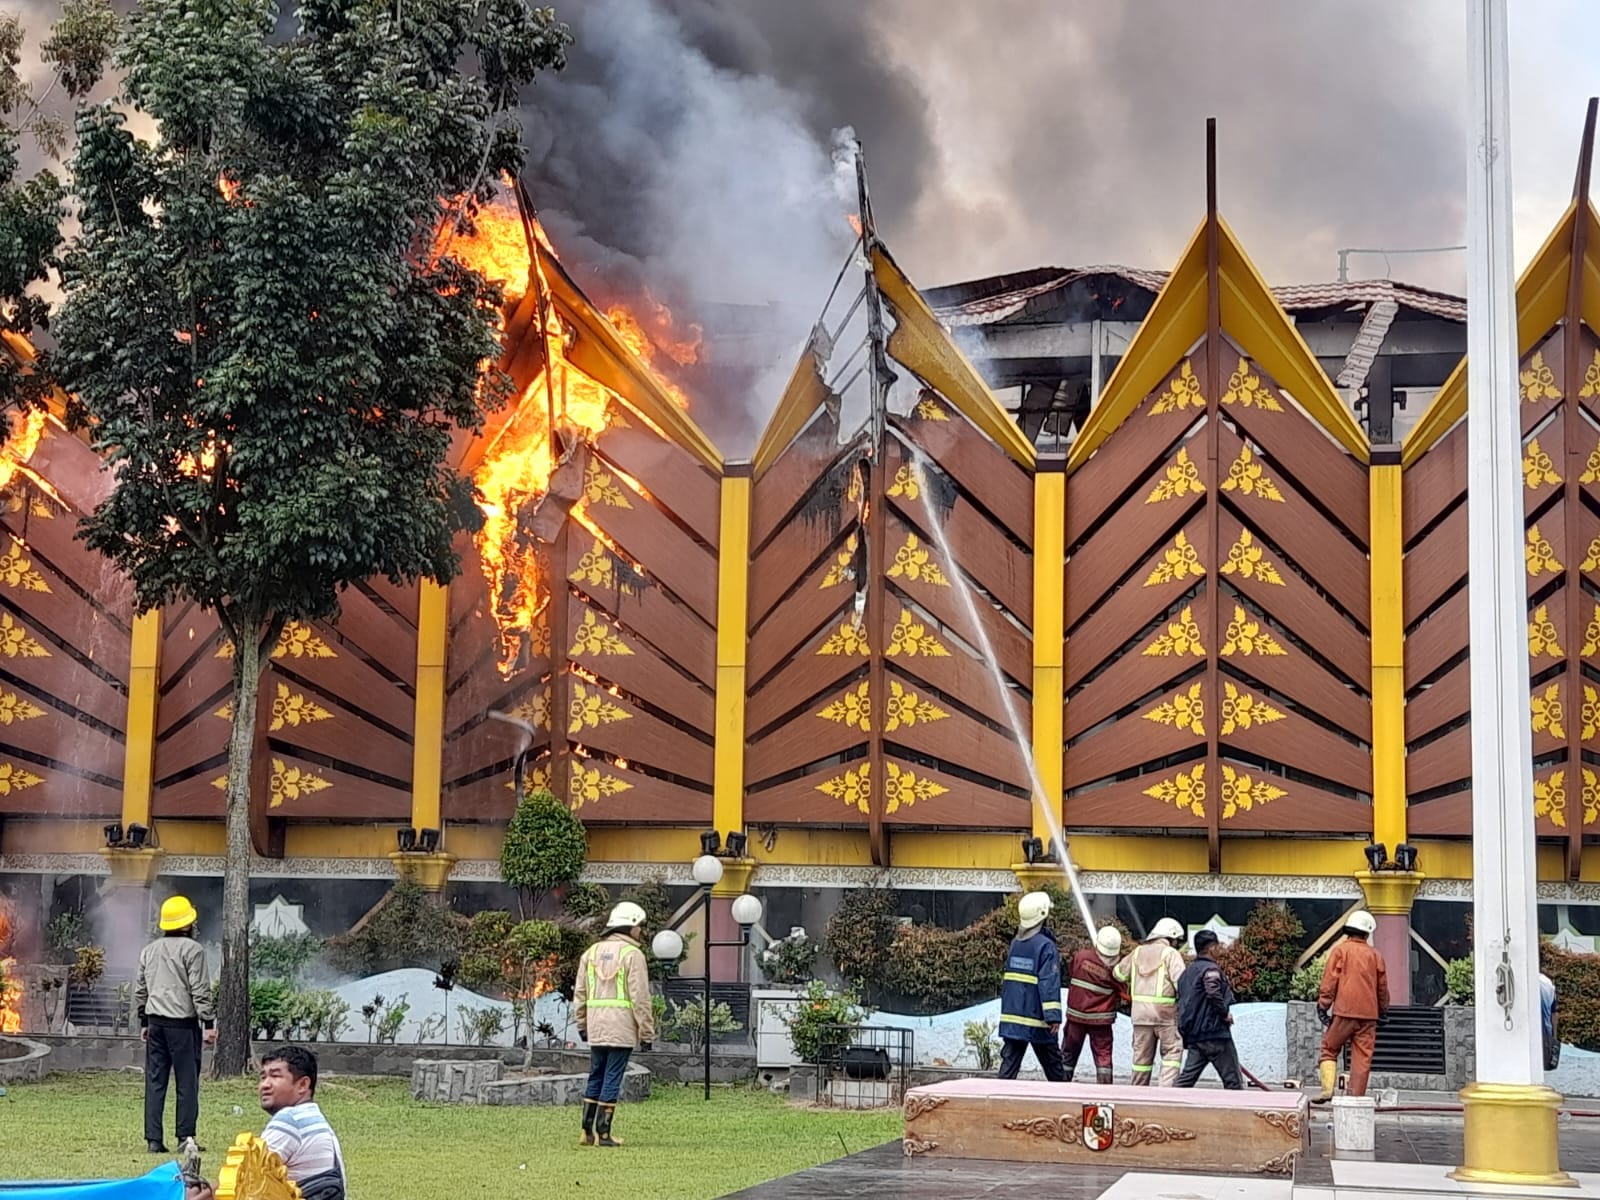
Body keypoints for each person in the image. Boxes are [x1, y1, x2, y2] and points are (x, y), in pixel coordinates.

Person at [185, 1045, 346, 1200]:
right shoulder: (314, 1119)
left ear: (303, 1084)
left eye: (275, 1076)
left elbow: (245, 1177)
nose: (265, 1085)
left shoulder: (291, 1120)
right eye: (263, 1077)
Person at [136, 894, 216, 1155]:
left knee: (155, 1082)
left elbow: (141, 989)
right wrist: (208, 1022)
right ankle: (185, 1137)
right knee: (187, 1083)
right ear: (188, 924)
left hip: (156, 1024)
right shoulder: (193, 950)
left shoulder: (149, 950)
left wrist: (144, 1021)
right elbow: (200, 989)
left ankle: (153, 1140)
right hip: (182, 1026)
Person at [574, 901, 656, 1147]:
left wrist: (581, 1023)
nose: (641, 930)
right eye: (639, 925)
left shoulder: (590, 953)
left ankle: (587, 1132)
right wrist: (647, 1033)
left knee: (596, 1074)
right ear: (630, 926)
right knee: (612, 1076)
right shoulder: (633, 955)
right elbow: (640, 997)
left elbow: (580, 992)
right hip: (621, 1027)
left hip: (596, 1025)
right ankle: (604, 1133)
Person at [1314, 909, 1389, 1102]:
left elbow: (1330, 980)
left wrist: (1323, 1004)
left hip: (1344, 1012)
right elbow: (1382, 988)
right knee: (1362, 1059)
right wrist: (1383, 1011)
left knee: (1329, 1048)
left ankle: (1327, 1090)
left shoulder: (1341, 951)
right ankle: (1355, 1100)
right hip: (1369, 1016)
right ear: (1367, 933)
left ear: (1348, 930)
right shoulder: (1376, 955)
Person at [996, 891, 1068, 1081]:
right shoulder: (1046, 946)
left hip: (1013, 1018)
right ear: (1043, 915)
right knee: (1054, 1070)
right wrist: (1053, 1017)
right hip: (1038, 1019)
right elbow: (1049, 983)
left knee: (1008, 1067)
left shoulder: (1015, 944)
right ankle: (1065, 1104)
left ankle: (995, 1104)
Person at [1114, 917, 1186, 1086]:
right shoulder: (1171, 954)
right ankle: (1165, 1094)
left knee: (1141, 1061)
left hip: (1140, 1016)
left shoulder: (1138, 952)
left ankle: (1138, 1095)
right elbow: (1181, 983)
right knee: (1172, 1054)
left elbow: (1118, 974)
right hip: (1165, 1015)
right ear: (1171, 937)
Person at [1174, 929, 1243, 1089]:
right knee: (1233, 1082)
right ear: (1211, 948)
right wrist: (1225, 1014)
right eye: (1218, 945)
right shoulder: (1211, 970)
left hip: (1194, 1036)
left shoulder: (1187, 972)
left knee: (1185, 1080)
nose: (1220, 948)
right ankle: (1236, 1112)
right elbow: (1213, 992)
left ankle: (1167, 1106)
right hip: (1214, 1034)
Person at [1062, 925, 1124, 1084]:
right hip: (1101, 1021)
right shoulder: (1115, 969)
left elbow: (1072, 972)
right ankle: (1104, 1091)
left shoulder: (1080, 957)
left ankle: (1061, 1086)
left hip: (1076, 1017)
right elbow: (1124, 992)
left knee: (1068, 1054)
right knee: (1103, 1057)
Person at [1540, 971, 1560, 1071]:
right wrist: (1554, 1038)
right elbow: (1554, 1013)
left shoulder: (1526, 980)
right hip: (1546, 1033)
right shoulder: (1548, 983)